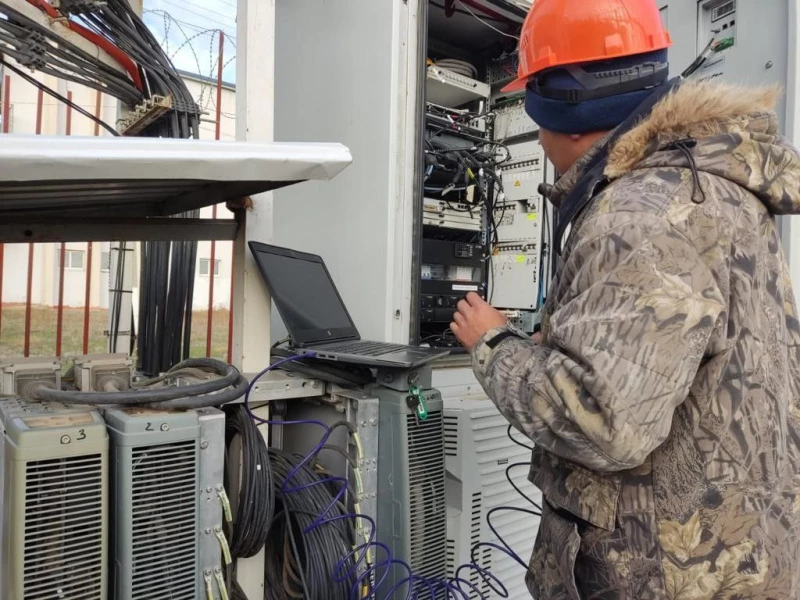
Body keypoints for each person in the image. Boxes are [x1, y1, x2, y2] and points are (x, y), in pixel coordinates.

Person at [450, 0, 800, 598]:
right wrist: (569, 345)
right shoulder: (706, 186)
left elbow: (602, 423)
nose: (539, 139)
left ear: (566, 108)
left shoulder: (639, 216)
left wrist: (493, 342)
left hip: (661, 571)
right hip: (732, 553)